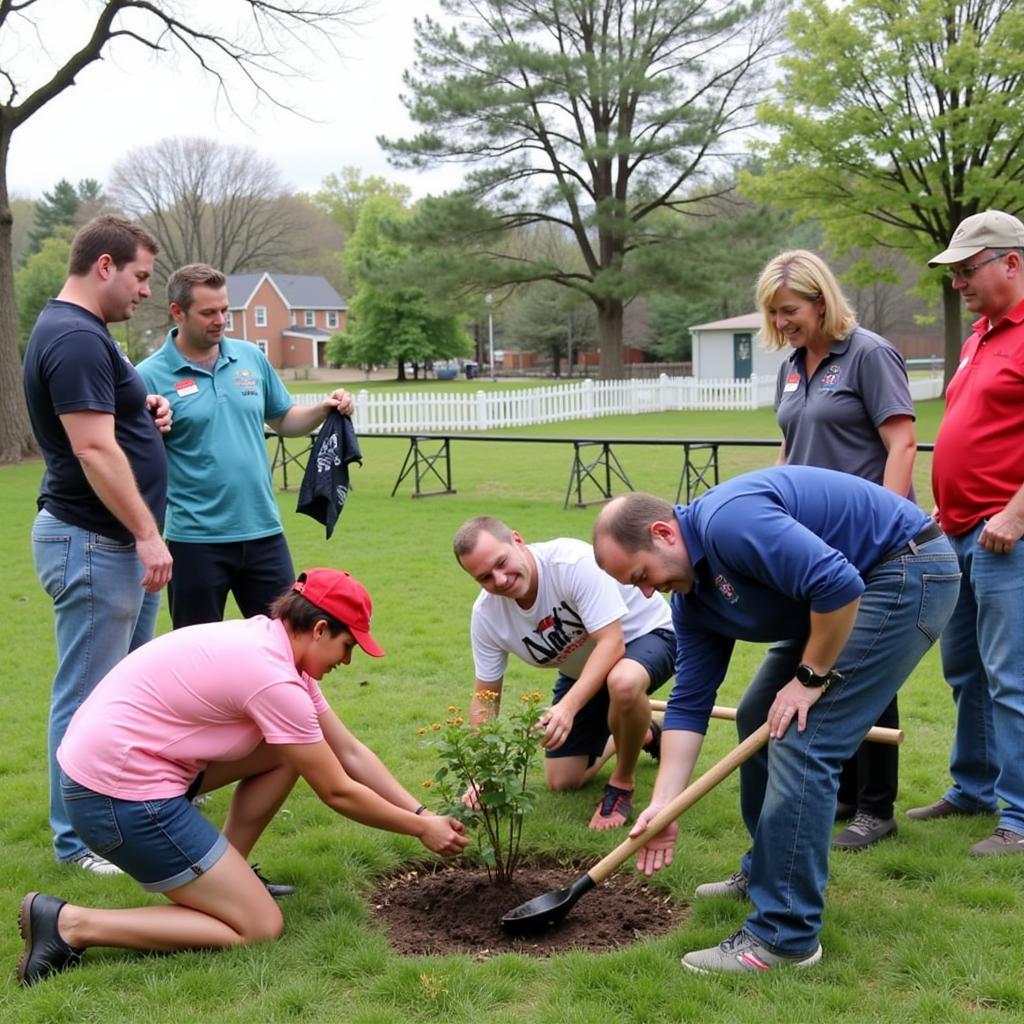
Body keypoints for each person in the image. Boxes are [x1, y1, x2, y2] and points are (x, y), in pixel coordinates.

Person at [16, 569, 469, 987]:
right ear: (319, 630)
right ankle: (70, 924)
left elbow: (348, 750)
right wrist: (418, 830)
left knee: (289, 753)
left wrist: (422, 811)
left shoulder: (276, 650)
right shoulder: (272, 678)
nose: (348, 662)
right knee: (260, 926)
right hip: (116, 799)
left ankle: (227, 876)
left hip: (127, 774)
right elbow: (336, 791)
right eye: (348, 646)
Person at [592, 468, 960, 973]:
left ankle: (785, 937)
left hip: (902, 570)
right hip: (834, 601)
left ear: (662, 533)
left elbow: (838, 582)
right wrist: (664, 805)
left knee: (803, 738)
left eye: (640, 576)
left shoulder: (729, 521)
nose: (649, 593)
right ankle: (767, 871)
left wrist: (809, 678)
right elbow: (689, 703)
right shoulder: (693, 601)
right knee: (756, 715)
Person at [23, 215, 174, 875]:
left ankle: (122, 812)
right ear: (106, 266)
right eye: (140, 276)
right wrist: (146, 533)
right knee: (87, 696)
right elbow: (89, 446)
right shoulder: (75, 337)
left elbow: (106, 422)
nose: (145, 291)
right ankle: (76, 840)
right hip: (95, 543)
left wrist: (147, 409)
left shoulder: (84, 336)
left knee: (122, 695)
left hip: (109, 544)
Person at [757, 249, 917, 851]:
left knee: (865, 661)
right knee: (820, 656)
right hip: (806, 543)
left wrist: (889, 526)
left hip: (866, 538)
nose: (781, 323)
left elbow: (901, 444)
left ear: (822, 301)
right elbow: (789, 446)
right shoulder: (794, 365)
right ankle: (846, 794)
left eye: (790, 310)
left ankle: (877, 808)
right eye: (774, 313)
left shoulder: (869, 354)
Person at [136, 263, 355, 628]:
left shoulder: (250, 357)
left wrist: (323, 409)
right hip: (195, 540)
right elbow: (136, 454)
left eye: (224, 309)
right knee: (199, 654)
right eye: (208, 312)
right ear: (177, 312)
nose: (221, 320)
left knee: (284, 645)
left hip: (263, 532)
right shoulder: (148, 376)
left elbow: (283, 419)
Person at [906, 210, 1024, 855]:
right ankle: (974, 788)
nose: (957, 282)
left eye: (966, 268)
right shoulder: (982, 334)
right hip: (959, 531)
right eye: (951, 272)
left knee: (1011, 676)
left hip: (1008, 536)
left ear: (1011, 261)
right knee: (966, 672)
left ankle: (1020, 817)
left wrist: (1016, 512)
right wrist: (943, 511)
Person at [453, 517, 675, 830]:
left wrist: (568, 708)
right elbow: (485, 698)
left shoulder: (570, 562)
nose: (500, 579)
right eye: (485, 577)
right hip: (586, 670)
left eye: (501, 563)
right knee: (563, 779)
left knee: (623, 683)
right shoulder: (487, 616)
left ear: (518, 540)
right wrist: (482, 772)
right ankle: (643, 731)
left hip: (646, 636)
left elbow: (612, 643)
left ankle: (622, 782)